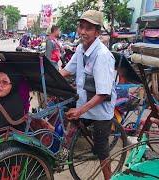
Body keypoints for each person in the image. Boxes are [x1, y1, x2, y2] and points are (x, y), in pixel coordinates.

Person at [59, 10, 116, 180]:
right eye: (81, 27)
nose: (82, 32)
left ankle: (108, 178)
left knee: (101, 150)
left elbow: (103, 94)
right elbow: (66, 71)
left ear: (97, 32)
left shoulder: (102, 56)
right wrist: (44, 79)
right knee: (65, 121)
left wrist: (80, 111)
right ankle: (63, 152)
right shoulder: (80, 49)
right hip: (84, 103)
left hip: (100, 111)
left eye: (88, 29)